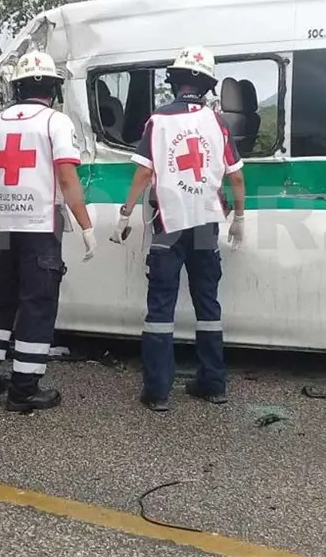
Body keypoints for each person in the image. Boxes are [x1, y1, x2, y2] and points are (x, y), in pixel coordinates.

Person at [108, 46, 246, 411]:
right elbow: (237, 176)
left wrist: (125, 212)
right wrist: (241, 218)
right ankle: (213, 384)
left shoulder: (158, 120)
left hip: (168, 223)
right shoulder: (217, 123)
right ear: (206, 86)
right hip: (205, 222)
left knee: (161, 309)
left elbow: (144, 172)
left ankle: (157, 393)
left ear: (175, 81)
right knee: (208, 305)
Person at [0, 50, 96, 412]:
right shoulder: (56, 123)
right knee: (38, 306)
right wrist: (85, 225)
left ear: (18, 87)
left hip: (5, 227)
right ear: (54, 89)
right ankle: (24, 389)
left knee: (0, 303)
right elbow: (67, 178)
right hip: (41, 226)